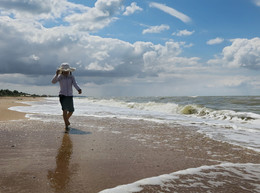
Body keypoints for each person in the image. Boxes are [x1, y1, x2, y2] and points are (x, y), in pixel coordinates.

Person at [52, 63, 82, 132]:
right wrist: (56, 74)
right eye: (65, 70)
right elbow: (53, 82)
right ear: (62, 70)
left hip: (70, 96)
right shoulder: (60, 76)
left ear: (69, 70)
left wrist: (79, 89)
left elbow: (75, 84)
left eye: (67, 70)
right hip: (62, 95)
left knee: (71, 110)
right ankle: (66, 125)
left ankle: (66, 119)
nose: (66, 72)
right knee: (64, 110)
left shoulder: (71, 77)